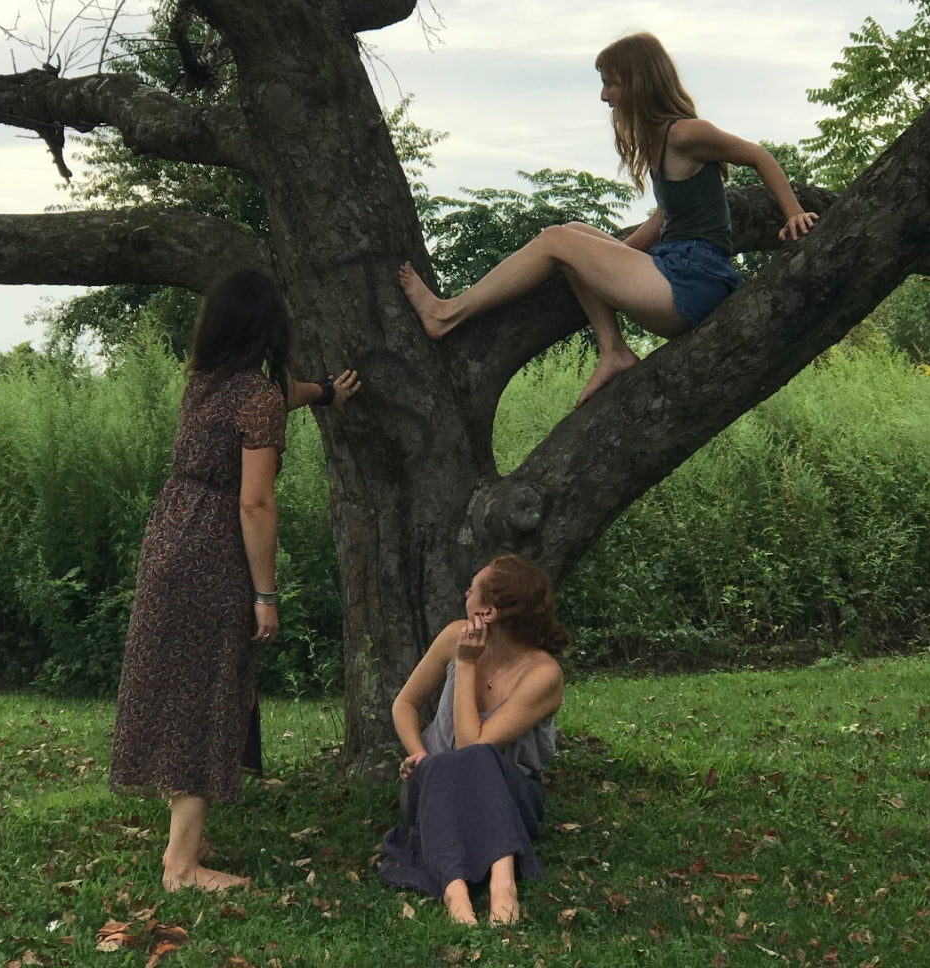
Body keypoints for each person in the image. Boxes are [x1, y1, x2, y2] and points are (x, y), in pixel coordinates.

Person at [399, 31, 818, 407]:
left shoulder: (685, 133)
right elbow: (664, 218)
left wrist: (793, 212)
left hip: (694, 278)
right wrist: (608, 256)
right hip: (675, 268)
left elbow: (758, 155)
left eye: (609, 83)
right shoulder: (659, 142)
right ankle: (613, 350)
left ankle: (446, 313)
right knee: (576, 236)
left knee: (553, 239)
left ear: (637, 82)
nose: (604, 97)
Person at [108, 269, 361, 893]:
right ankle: (182, 867)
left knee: (179, 685)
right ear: (270, 327)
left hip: (170, 536)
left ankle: (183, 836)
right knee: (208, 692)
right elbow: (255, 504)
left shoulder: (207, 384)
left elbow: (276, 397)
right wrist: (266, 594)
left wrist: (322, 392)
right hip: (213, 552)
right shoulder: (256, 398)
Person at [380, 554, 568, 925]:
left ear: (490, 613)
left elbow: (473, 750)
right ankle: (456, 892)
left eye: (474, 588)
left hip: (509, 796)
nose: (466, 592)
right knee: (442, 766)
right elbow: (404, 703)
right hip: (434, 787)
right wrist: (418, 756)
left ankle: (502, 886)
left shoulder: (543, 673)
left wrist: (466, 665)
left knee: (479, 761)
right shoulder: (454, 636)